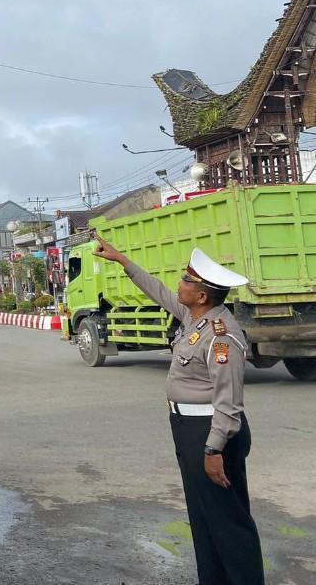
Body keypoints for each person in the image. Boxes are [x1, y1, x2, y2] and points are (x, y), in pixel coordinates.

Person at [94, 239, 263, 584]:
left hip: (211, 433)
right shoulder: (194, 316)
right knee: (203, 518)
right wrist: (122, 260)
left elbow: (229, 403)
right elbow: (156, 290)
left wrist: (213, 450)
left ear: (201, 296)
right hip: (188, 428)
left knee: (228, 522)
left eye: (187, 280)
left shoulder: (221, 337)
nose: (179, 284)